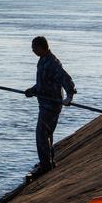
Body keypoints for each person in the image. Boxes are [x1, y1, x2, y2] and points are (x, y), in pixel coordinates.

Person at [25, 36, 77, 177]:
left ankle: (45, 166)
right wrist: (32, 90)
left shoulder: (52, 63)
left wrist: (69, 96)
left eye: (34, 47)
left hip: (51, 105)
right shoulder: (42, 61)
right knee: (46, 134)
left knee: (41, 134)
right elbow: (43, 83)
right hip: (44, 103)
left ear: (42, 47)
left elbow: (65, 78)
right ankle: (49, 162)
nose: (32, 50)